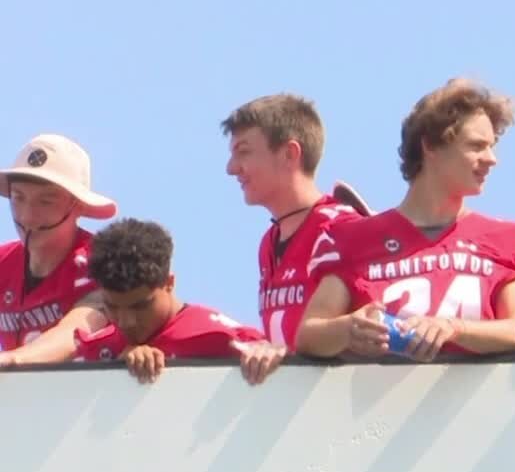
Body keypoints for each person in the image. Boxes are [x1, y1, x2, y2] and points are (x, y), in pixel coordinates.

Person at [294, 78, 515, 361]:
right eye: (476, 146)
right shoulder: (349, 239)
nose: (492, 159)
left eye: (492, 146)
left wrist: (453, 329)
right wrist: (349, 329)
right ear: (430, 146)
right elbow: (309, 334)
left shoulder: (510, 239)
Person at [221, 93, 371, 351]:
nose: (231, 168)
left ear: (290, 154)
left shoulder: (341, 230)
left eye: (243, 152)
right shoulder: (269, 241)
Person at [72, 218, 285, 384]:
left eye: (140, 306)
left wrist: (271, 355)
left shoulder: (220, 339)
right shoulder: (96, 350)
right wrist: (117, 369)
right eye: (112, 307)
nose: (126, 321)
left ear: (169, 283)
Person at [0, 134, 116, 367]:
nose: (27, 216)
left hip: (94, 398)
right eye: (18, 198)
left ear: (79, 205)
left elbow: (75, 331)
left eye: (46, 202)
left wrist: (13, 359)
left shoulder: (106, 264)